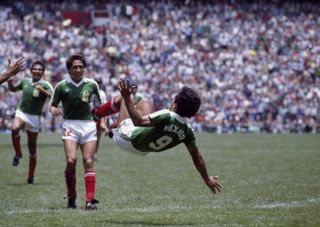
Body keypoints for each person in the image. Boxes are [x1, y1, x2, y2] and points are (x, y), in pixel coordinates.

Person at [94, 80, 222, 194]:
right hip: (142, 150)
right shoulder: (188, 131)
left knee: (127, 98)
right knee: (144, 103)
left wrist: (127, 98)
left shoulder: (167, 115)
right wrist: (206, 178)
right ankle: (112, 125)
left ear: (175, 103)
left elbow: (138, 122)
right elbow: (197, 157)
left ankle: (98, 115)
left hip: (127, 138)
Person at [50, 54, 102, 210]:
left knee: (88, 161)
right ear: (69, 69)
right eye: (75, 67)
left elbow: (99, 106)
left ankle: (89, 201)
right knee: (71, 161)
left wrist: (105, 120)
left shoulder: (92, 84)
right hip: (70, 125)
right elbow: (53, 104)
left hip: (88, 125)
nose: (79, 69)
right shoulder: (61, 86)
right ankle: (71, 196)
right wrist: (54, 110)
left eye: (81, 67)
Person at [8, 61, 53, 184]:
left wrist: (42, 90)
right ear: (31, 70)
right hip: (22, 113)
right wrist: (10, 80)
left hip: (34, 118)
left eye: (40, 69)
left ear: (43, 73)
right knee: (14, 128)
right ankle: (18, 154)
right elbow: (12, 89)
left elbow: (53, 97)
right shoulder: (25, 81)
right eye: (35, 69)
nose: (37, 71)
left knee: (32, 149)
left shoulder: (45, 84)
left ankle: (31, 176)